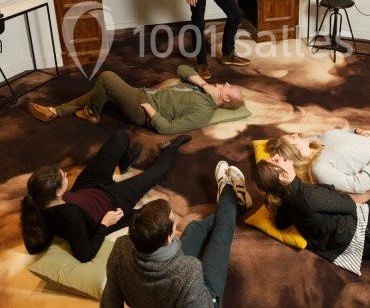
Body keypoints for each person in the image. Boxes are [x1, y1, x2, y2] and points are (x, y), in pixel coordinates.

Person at [19, 129, 191, 261]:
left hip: (87, 188)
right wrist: (104, 224)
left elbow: (35, 245)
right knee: (158, 173)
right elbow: (85, 255)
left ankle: (124, 164)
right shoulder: (69, 215)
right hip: (113, 200)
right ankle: (171, 148)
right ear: (58, 192)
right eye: (63, 176)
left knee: (120, 137)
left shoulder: (38, 202)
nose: (66, 174)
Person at [101, 161, 251, 307]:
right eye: (173, 222)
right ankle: (229, 192)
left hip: (169, 287)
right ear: (168, 238)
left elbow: (110, 301)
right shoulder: (188, 271)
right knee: (220, 237)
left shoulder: (121, 246)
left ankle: (236, 205)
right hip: (205, 300)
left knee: (193, 228)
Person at [27, 65, 245, 135]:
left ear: (225, 97)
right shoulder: (204, 89)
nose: (224, 83)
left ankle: (92, 114)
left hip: (143, 110)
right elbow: (182, 68)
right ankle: (56, 111)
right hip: (143, 94)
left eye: (228, 86)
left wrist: (150, 111)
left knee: (107, 78)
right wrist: (205, 85)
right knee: (101, 91)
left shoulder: (204, 113)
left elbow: (169, 128)